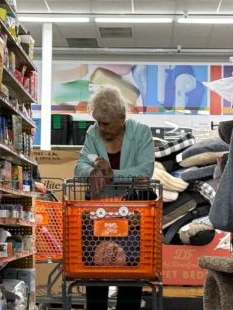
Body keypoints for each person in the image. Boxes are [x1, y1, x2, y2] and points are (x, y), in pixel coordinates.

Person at [74, 86, 155, 310]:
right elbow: (80, 164)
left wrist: (112, 175)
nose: (101, 128)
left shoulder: (141, 132)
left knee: (130, 267)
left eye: (106, 123)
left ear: (122, 118)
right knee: (95, 266)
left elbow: (145, 171)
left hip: (132, 214)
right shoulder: (92, 133)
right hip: (98, 212)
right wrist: (91, 172)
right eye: (98, 122)